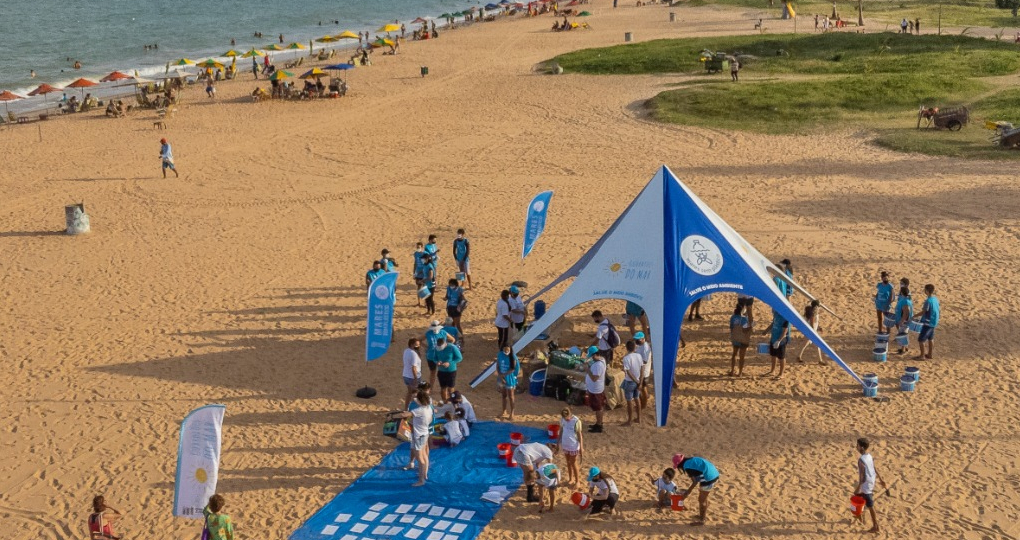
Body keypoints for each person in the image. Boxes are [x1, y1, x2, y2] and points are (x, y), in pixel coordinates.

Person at [395, 389, 433, 486]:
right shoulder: (428, 407)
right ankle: (424, 475)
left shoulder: (419, 410)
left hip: (418, 436)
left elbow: (405, 415)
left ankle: (421, 480)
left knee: (420, 459)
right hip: (425, 433)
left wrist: (394, 415)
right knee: (425, 456)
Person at [673, 454, 720, 525]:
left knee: (701, 500)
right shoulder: (691, 459)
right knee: (704, 496)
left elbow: (695, 481)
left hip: (708, 478)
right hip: (714, 473)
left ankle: (702, 520)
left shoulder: (687, 466)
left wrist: (687, 493)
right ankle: (702, 516)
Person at [854, 437, 887, 533]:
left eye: (858, 446)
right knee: (860, 498)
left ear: (862, 448)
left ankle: (875, 526)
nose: (857, 447)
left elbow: (862, 476)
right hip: (871, 481)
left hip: (866, 484)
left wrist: (858, 487)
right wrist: (881, 479)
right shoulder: (869, 456)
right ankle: (859, 516)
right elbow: (874, 467)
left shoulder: (861, 460)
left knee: (869, 504)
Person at [556, 407, 583, 486]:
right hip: (565, 444)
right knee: (568, 462)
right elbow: (561, 431)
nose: (566, 419)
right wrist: (558, 443)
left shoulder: (576, 421)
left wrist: (581, 447)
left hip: (573, 445)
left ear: (570, 414)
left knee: (573, 463)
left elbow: (579, 435)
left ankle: (577, 481)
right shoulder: (562, 420)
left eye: (567, 418)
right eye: (564, 418)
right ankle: (571, 478)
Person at [424, 320, 453, 390]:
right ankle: (431, 388)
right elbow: (418, 339)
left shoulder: (443, 332)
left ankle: (445, 388)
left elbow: (452, 339)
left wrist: (447, 346)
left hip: (441, 355)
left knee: (444, 372)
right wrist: (426, 346)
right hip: (432, 356)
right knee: (433, 372)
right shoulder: (428, 333)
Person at [620, 340, 643, 426]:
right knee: (637, 399)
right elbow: (642, 368)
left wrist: (636, 381)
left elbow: (628, 372)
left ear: (626, 348)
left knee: (629, 401)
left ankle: (629, 421)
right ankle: (639, 418)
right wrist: (640, 382)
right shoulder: (639, 356)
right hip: (637, 380)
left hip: (630, 381)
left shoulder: (626, 358)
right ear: (635, 347)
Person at [584, 348, 607, 433]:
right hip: (596, 389)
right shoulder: (601, 360)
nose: (591, 358)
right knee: (598, 408)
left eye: (592, 356)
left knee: (598, 408)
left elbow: (594, 378)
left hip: (596, 390)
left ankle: (599, 425)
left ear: (595, 355)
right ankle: (598, 423)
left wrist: (587, 369)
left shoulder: (599, 365)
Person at [728, 300, 752, 376]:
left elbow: (731, 327)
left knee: (734, 354)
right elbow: (747, 329)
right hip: (743, 338)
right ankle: (740, 372)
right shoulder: (745, 319)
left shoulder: (733, 317)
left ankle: (732, 371)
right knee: (742, 356)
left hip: (735, 337)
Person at [916, 284, 939, 360]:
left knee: (921, 340)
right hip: (934, 322)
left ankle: (922, 356)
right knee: (930, 338)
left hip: (928, 323)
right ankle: (930, 354)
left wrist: (914, 316)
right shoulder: (935, 299)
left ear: (927, 291)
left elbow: (923, 312)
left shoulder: (928, 301)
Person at [496, 345, 519, 419]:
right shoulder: (500, 355)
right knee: (503, 395)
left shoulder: (513, 357)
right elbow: (497, 365)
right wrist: (500, 375)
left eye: (507, 350)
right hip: (501, 378)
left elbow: (513, 369)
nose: (506, 351)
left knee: (511, 396)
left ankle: (512, 413)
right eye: (504, 349)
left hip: (510, 378)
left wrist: (504, 375)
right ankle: (504, 411)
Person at [768, 309, 790, 379]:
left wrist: (779, 341)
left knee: (781, 357)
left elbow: (784, 331)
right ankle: (772, 371)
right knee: (773, 355)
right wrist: (766, 330)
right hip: (773, 338)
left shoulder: (786, 318)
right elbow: (773, 323)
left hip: (781, 341)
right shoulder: (776, 315)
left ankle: (781, 374)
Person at [402, 338, 422, 409]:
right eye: (416, 345)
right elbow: (414, 367)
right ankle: (415, 409)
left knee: (409, 393)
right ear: (411, 344)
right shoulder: (414, 354)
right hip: (412, 376)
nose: (418, 346)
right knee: (415, 394)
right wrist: (415, 378)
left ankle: (406, 408)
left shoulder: (406, 351)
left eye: (419, 344)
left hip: (406, 375)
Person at [634, 332, 652, 408]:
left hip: (644, 373)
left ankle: (643, 405)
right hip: (641, 371)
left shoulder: (645, 348)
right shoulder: (640, 345)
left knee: (642, 389)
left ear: (642, 339)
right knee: (643, 388)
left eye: (637, 339)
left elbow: (644, 361)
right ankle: (644, 401)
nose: (636, 340)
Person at [894, 286, 913, 355]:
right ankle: (905, 348)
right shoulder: (906, 299)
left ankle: (903, 350)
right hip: (905, 321)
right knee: (905, 334)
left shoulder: (905, 301)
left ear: (901, 292)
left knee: (903, 334)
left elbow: (906, 312)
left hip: (904, 322)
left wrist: (902, 321)